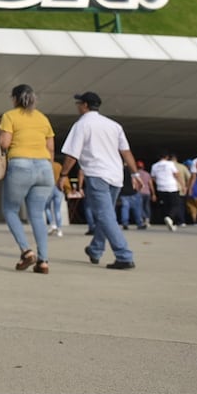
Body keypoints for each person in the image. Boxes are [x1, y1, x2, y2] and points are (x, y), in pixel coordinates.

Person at [59, 92, 139, 270]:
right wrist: (135, 174)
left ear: (85, 105)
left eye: (78, 103)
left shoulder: (82, 124)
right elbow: (126, 152)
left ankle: (124, 255)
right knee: (107, 214)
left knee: (105, 215)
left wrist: (63, 175)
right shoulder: (114, 125)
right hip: (116, 176)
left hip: (96, 174)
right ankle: (95, 249)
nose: (77, 106)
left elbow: (72, 154)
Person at [0, 84, 56, 274]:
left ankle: (26, 251)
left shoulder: (10, 116)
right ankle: (43, 261)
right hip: (45, 167)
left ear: (15, 99)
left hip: (21, 165)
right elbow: (51, 148)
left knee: (10, 210)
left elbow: (5, 143)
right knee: (37, 215)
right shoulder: (43, 118)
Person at [150, 153, 182, 231]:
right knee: (176, 204)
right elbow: (176, 174)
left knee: (167, 205)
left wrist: (159, 182)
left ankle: (171, 222)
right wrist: (182, 184)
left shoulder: (154, 166)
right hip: (171, 187)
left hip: (161, 188)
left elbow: (153, 178)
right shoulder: (170, 164)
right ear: (167, 157)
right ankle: (170, 217)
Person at [116, 161, 144, 230]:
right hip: (133, 192)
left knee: (125, 209)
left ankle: (125, 223)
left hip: (123, 192)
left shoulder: (119, 171)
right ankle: (139, 223)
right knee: (137, 209)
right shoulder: (132, 171)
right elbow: (135, 181)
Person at [44, 160, 66, 237]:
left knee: (46, 207)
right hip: (59, 188)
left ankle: (52, 224)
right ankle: (59, 229)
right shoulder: (58, 166)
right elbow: (64, 176)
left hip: (49, 188)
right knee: (57, 210)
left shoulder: (46, 165)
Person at [135, 160, 155, 228]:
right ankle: (147, 219)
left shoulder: (136, 174)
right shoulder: (147, 174)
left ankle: (143, 218)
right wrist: (153, 194)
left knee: (140, 207)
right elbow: (151, 184)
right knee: (147, 206)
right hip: (147, 192)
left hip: (139, 192)